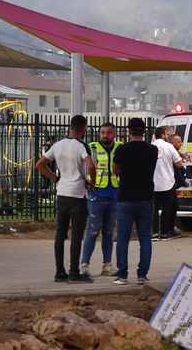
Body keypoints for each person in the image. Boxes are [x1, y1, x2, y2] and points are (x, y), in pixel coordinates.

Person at [35, 115, 96, 284]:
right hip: (78, 195)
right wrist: (92, 182)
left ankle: (59, 272)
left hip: (61, 194)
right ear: (83, 128)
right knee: (76, 235)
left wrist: (55, 178)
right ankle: (74, 272)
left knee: (60, 234)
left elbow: (40, 164)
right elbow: (91, 165)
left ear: (71, 126)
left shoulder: (58, 145)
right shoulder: (81, 146)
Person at [112, 118, 158, 285]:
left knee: (123, 238)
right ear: (144, 131)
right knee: (145, 238)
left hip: (126, 198)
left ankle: (122, 275)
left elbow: (115, 169)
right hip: (146, 198)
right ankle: (142, 275)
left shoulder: (122, 150)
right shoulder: (153, 150)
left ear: (128, 131)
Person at [79, 122, 121, 278]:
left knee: (109, 233)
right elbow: (83, 167)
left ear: (114, 133)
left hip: (114, 195)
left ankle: (107, 265)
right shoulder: (92, 147)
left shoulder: (120, 147)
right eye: (102, 132)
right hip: (96, 195)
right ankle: (84, 265)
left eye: (109, 132)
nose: (105, 135)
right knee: (92, 231)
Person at [152, 127, 184, 240]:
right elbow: (179, 164)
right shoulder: (169, 147)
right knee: (167, 209)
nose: (167, 136)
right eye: (166, 134)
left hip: (153, 183)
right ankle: (165, 233)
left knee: (154, 209)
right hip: (167, 183)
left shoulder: (150, 146)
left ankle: (155, 233)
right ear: (163, 134)